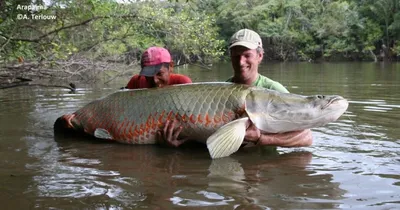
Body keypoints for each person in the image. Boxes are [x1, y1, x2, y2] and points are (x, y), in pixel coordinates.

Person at [158, 29, 312, 148]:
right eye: (235, 56)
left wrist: (261, 139)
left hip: (263, 169)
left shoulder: (273, 90)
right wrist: (178, 143)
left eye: (247, 55)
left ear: (260, 56)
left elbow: (306, 137)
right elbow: (206, 137)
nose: (240, 62)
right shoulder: (220, 90)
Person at [126, 46, 192, 89]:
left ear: (171, 66)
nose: (155, 81)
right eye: (149, 74)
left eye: (159, 74)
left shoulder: (182, 83)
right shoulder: (136, 82)